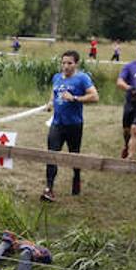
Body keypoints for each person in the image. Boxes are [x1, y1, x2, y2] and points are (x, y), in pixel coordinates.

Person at [41, 50, 99, 203]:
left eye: (69, 63)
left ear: (76, 64)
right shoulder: (57, 77)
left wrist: (75, 98)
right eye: (63, 63)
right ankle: (49, 188)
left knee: (74, 156)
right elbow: (54, 94)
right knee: (52, 155)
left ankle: (77, 177)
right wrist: (50, 103)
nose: (66, 66)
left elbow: (95, 96)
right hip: (57, 124)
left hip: (74, 124)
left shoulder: (82, 78)